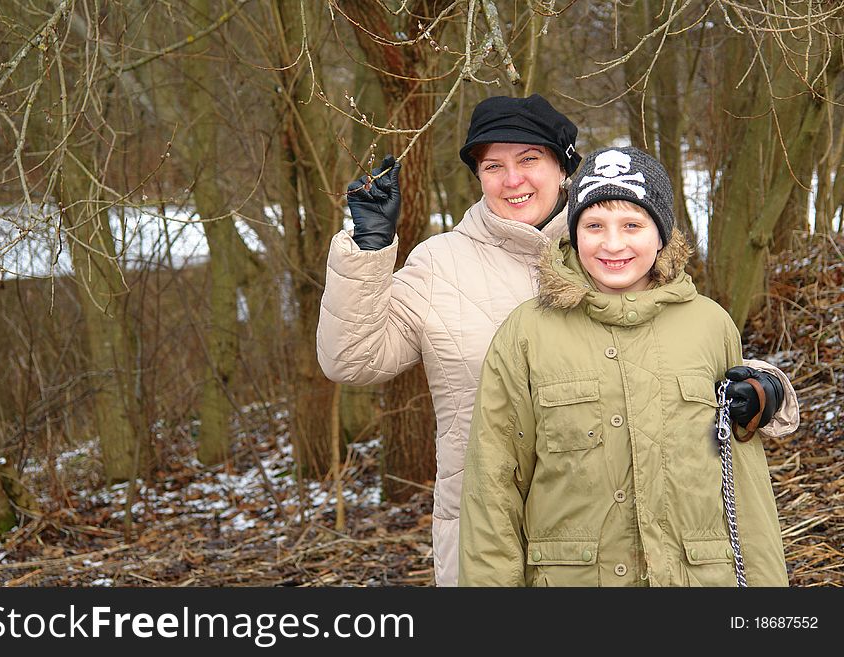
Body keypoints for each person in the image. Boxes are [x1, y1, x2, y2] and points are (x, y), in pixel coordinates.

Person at [316, 95, 799, 587]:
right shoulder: (441, 265)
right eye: (492, 166)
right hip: (484, 531)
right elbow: (352, 359)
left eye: (530, 160)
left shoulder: (616, 246)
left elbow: (682, 353)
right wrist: (367, 250)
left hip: (621, 538)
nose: (512, 179)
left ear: (565, 167)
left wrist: (766, 388)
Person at [458, 146, 791, 587]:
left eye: (632, 225)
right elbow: (493, 486)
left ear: (662, 233)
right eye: (594, 225)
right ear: (574, 234)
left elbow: (744, 485)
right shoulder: (526, 333)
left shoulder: (710, 325)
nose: (613, 244)